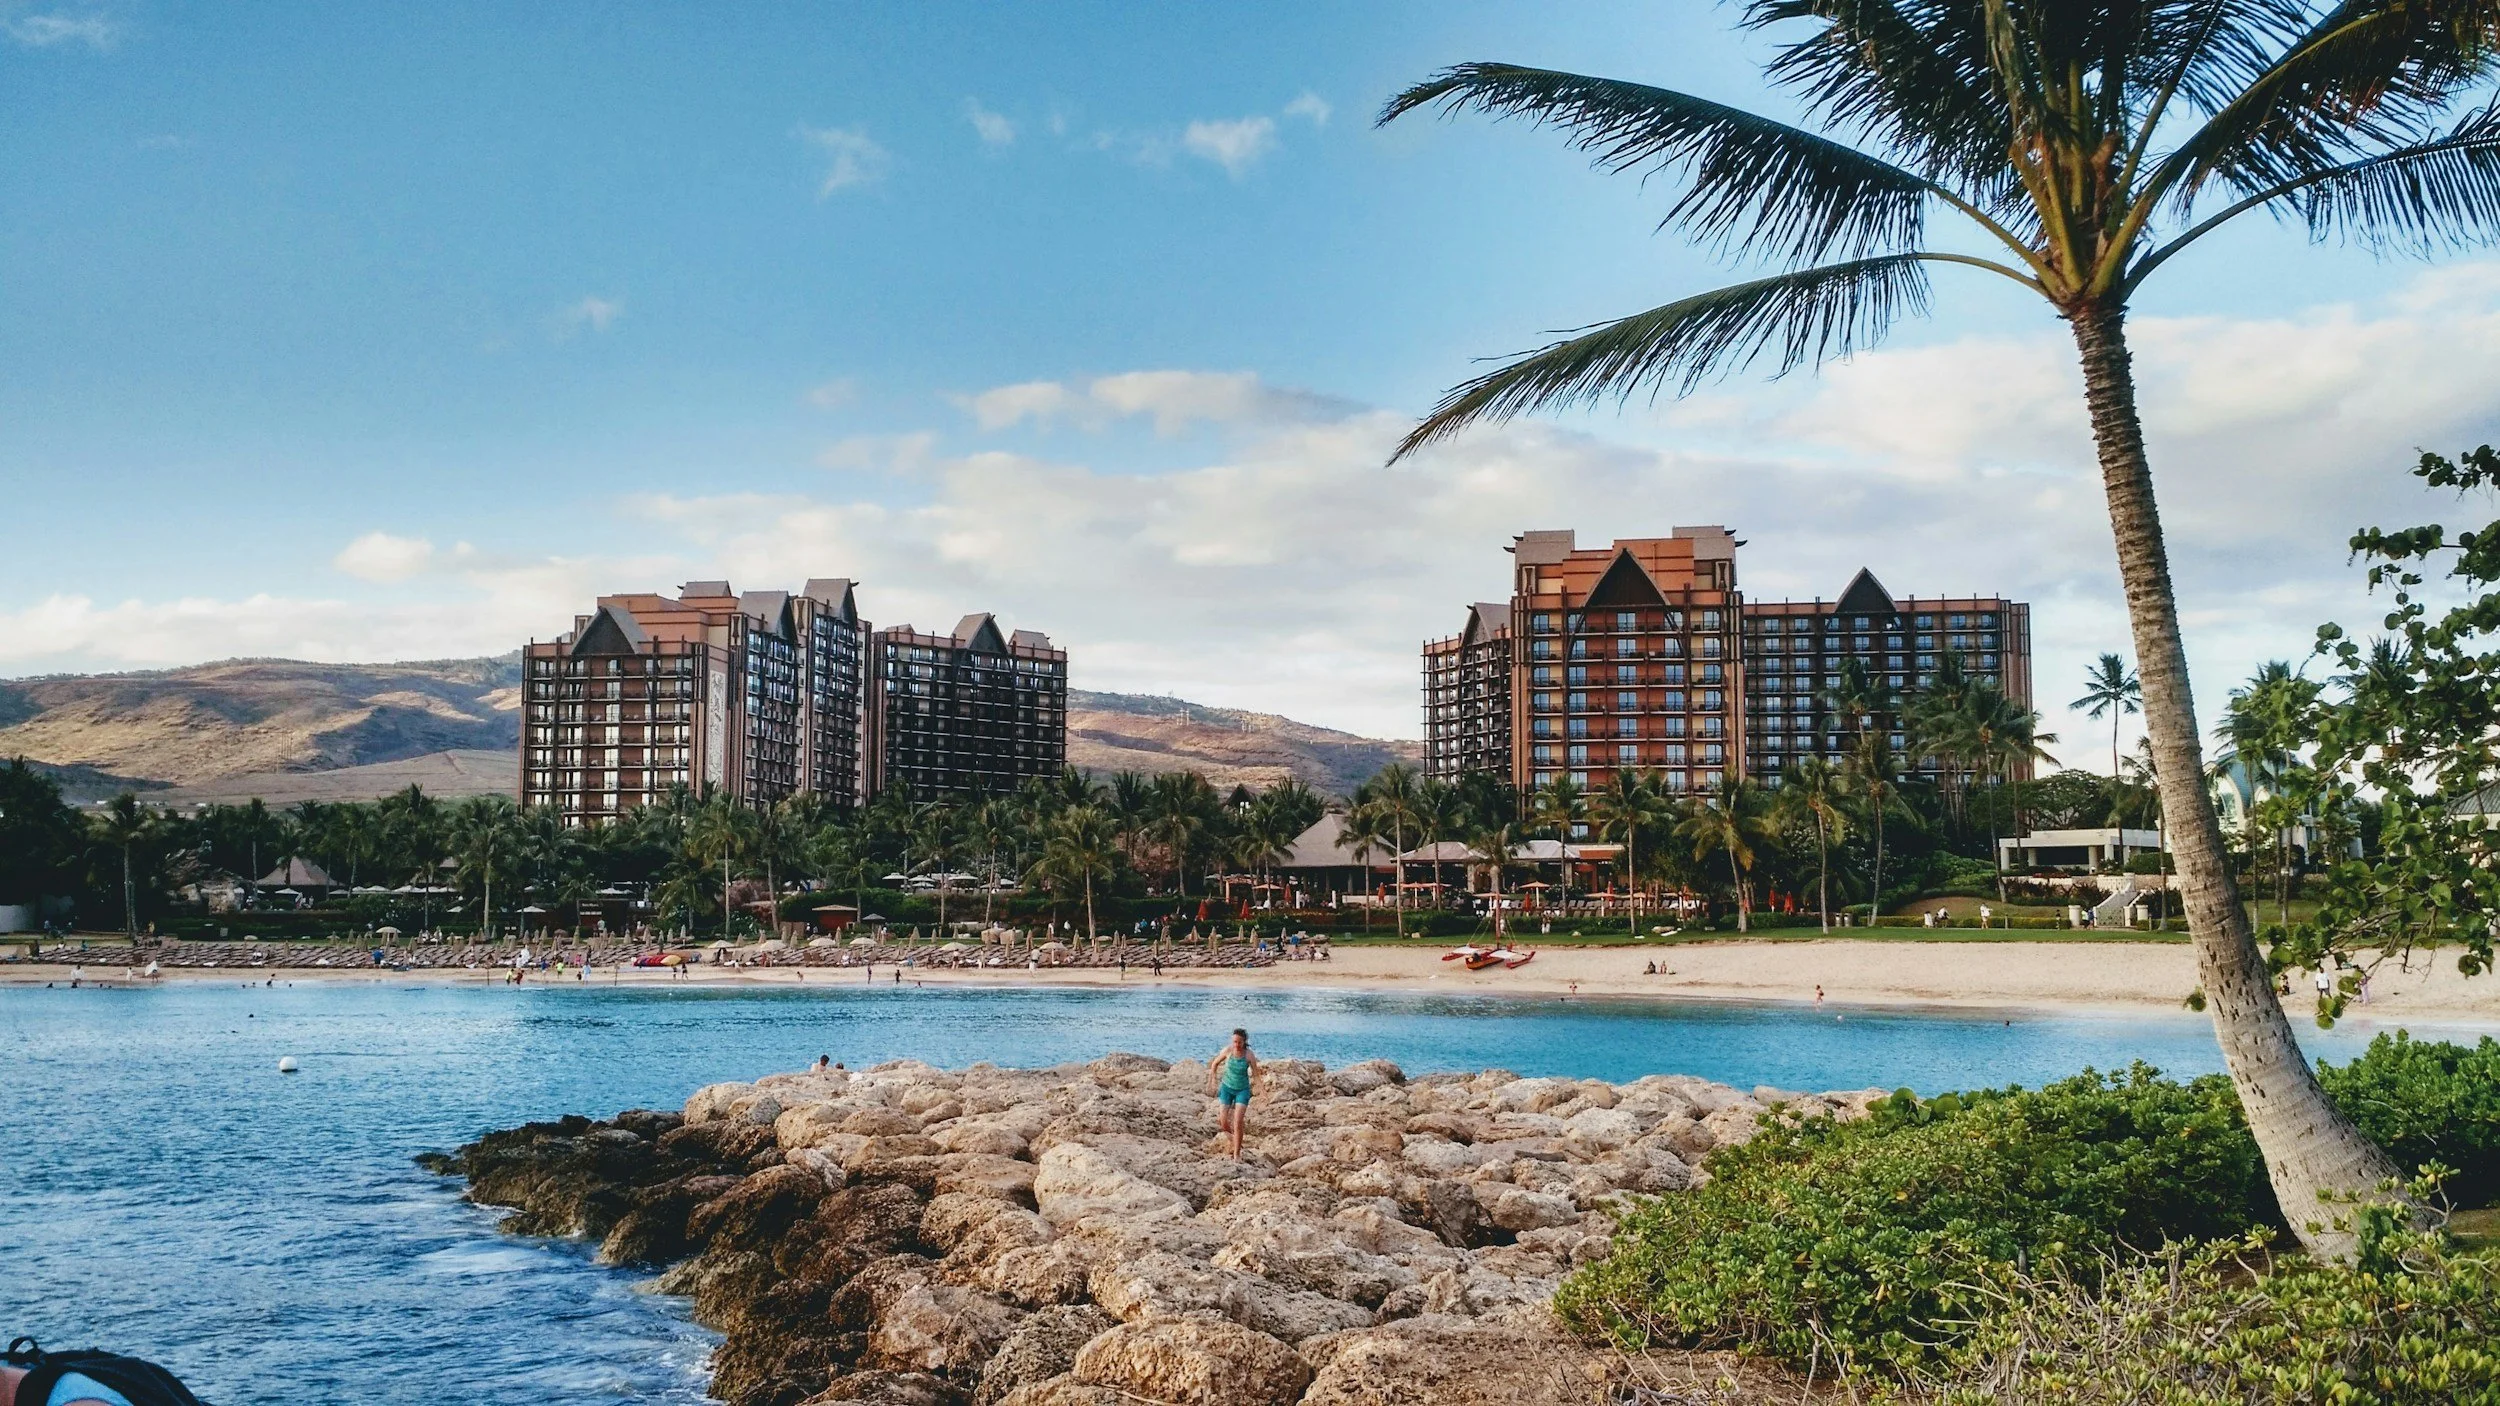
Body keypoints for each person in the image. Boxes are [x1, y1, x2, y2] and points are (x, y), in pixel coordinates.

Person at [1206, 1028, 1260, 1158]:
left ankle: (1237, 1154)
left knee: (1238, 1121)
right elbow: (1215, 1064)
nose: (1236, 1045)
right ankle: (1236, 1141)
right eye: (1234, 1042)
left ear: (1244, 1042)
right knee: (1223, 1122)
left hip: (1242, 1090)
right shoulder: (1228, 1051)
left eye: (1239, 1042)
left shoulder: (1249, 1055)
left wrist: (1263, 1093)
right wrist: (1213, 1080)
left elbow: (1256, 1075)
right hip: (1227, 1088)